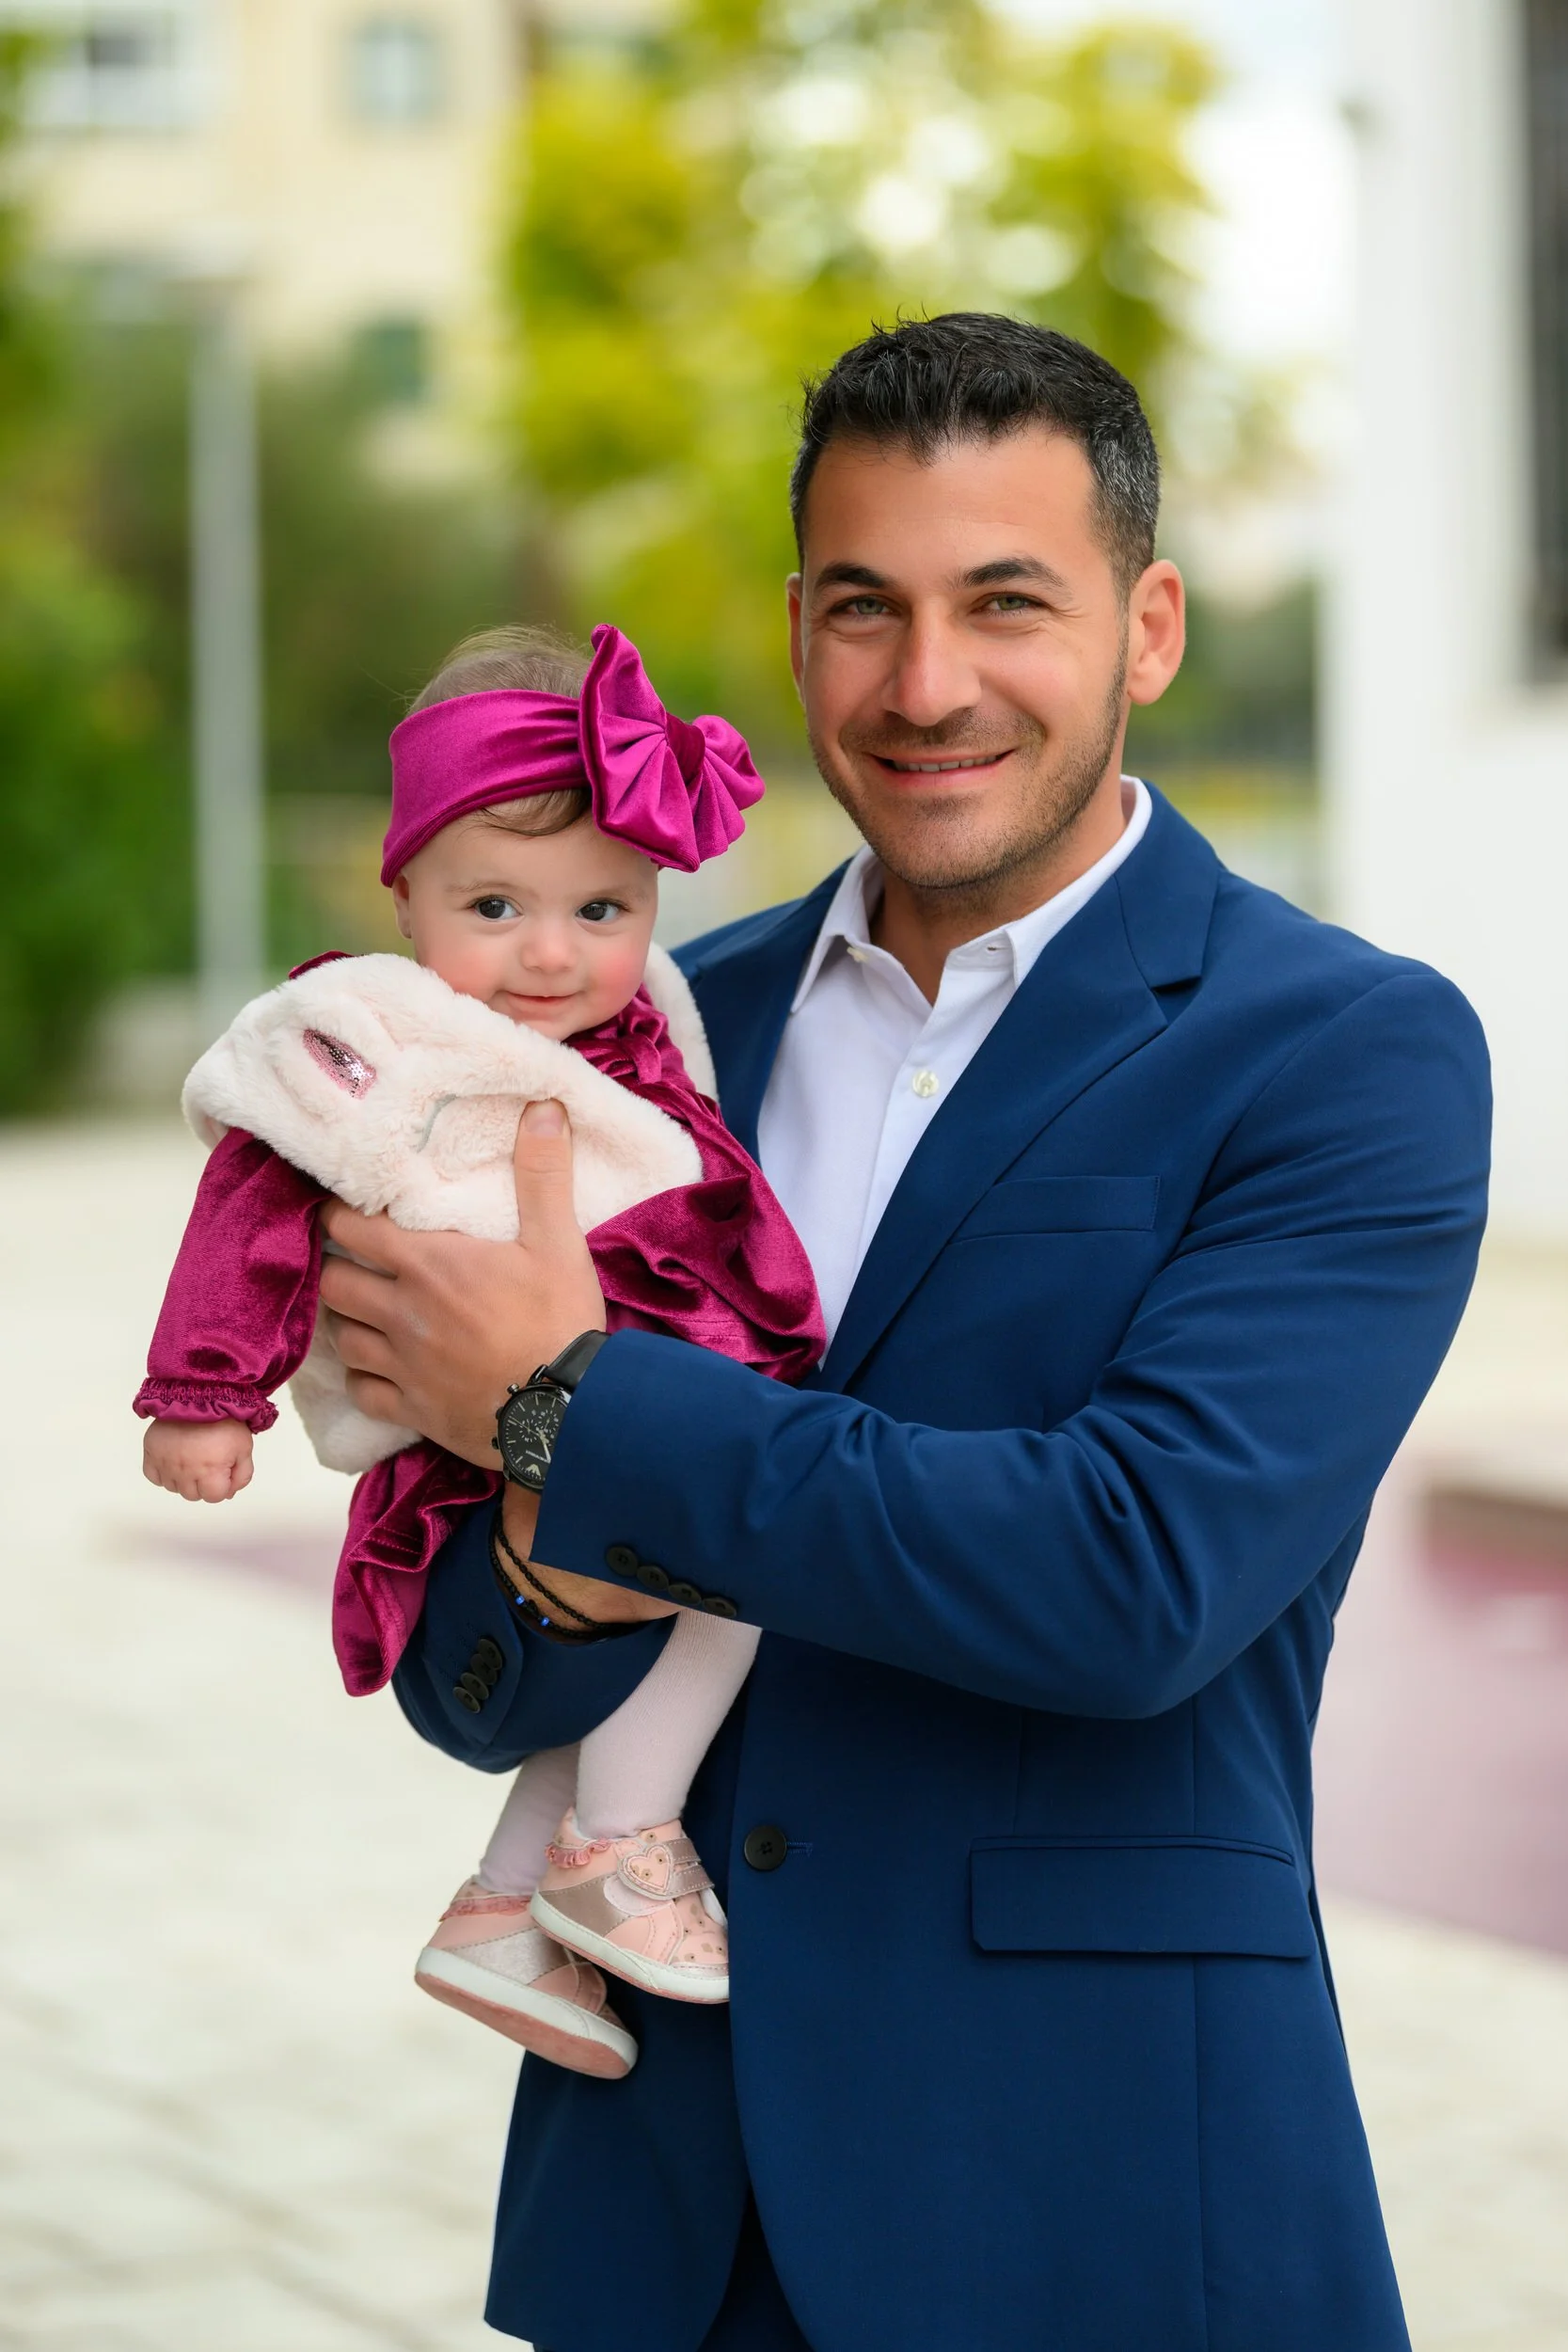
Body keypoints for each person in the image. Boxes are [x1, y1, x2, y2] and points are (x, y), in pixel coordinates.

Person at [319, 316, 1491, 2352]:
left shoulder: (1342, 1049)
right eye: (863, 608)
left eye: (1002, 604)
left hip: (1092, 2199)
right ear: (794, 630)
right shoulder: (655, 1028)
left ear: (1145, 626)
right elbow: (462, 1668)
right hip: (663, 2201)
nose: (924, 685)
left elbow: (1128, 1575)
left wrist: (566, 1404)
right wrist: (524, 1541)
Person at [134, 624, 822, 2079]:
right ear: (403, 893)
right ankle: (621, 1843)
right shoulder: (371, 1038)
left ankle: (506, 1906)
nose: (549, 952)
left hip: (634, 1400)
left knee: (691, 1583)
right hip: (457, 1439)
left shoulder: (654, 1028)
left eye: (602, 907)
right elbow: (252, 1206)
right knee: (734, 1580)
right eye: (494, 904)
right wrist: (208, 1388)